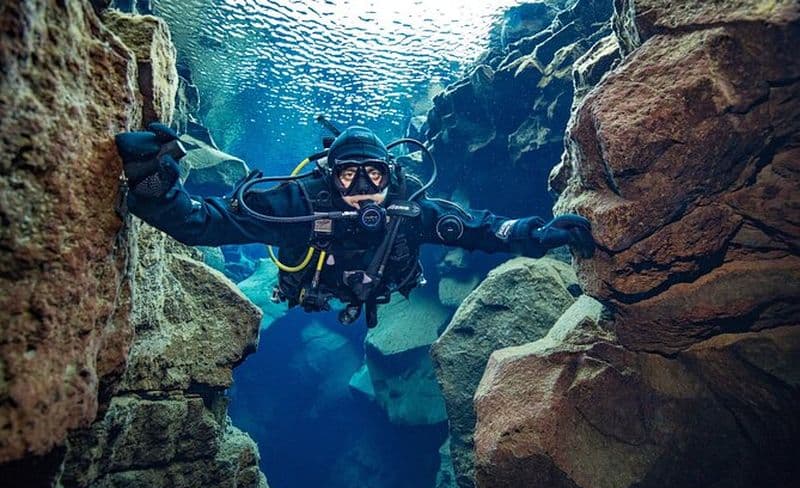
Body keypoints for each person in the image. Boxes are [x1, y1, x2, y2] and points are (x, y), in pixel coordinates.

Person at [115, 122, 595, 328]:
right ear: (330, 176)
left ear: (392, 175)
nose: (363, 185)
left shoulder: (410, 208)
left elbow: (481, 229)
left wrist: (538, 233)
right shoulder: (297, 205)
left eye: (374, 174)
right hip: (314, 292)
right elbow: (204, 223)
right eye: (349, 174)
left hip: (382, 291)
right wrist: (151, 179)